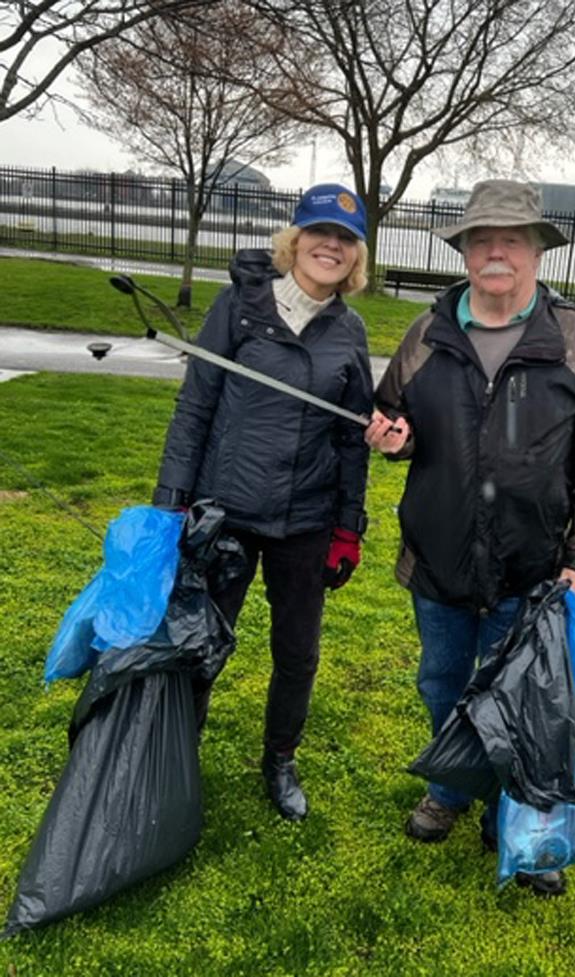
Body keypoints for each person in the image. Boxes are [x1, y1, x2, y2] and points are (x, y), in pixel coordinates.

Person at [365, 179, 575, 895]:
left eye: (512, 238)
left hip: (532, 567)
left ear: (538, 249)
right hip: (440, 559)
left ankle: (511, 815)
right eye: (482, 239)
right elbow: (394, 417)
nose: (497, 251)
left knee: (520, 698)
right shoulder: (428, 333)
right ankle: (450, 789)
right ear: (466, 253)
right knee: (444, 681)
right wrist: (392, 439)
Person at [153, 184, 373, 821]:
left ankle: (279, 759)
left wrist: (347, 526)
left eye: (345, 239)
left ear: (354, 256)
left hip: (304, 520)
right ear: (295, 239)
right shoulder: (239, 306)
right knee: (197, 644)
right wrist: (172, 503)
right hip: (226, 510)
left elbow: (352, 436)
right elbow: (195, 406)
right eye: (319, 232)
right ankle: (175, 754)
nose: (330, 246)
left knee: (298, 652)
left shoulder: (349, 330)